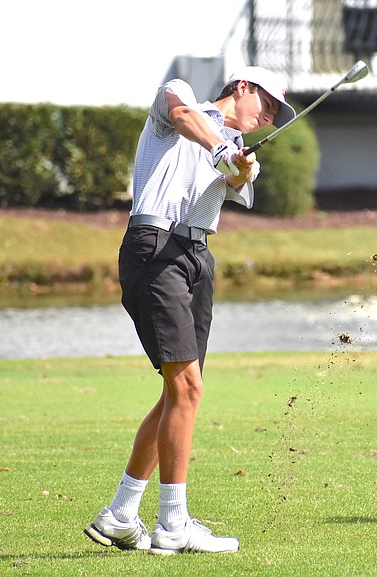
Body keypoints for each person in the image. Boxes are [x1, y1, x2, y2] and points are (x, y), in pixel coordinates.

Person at [83, 66, 295, 555]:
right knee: (187, 388)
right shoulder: (180, 100)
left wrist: (238, 165)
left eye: (273, 117)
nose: (266, 119)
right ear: (241, 87)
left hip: (197, 258)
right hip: (154, 247)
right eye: (264, 105)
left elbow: (240, 179)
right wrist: (218, 146)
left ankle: (120, 514)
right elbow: (182, 114)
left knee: (179, 393)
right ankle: (173, 524)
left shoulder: (241, 152)